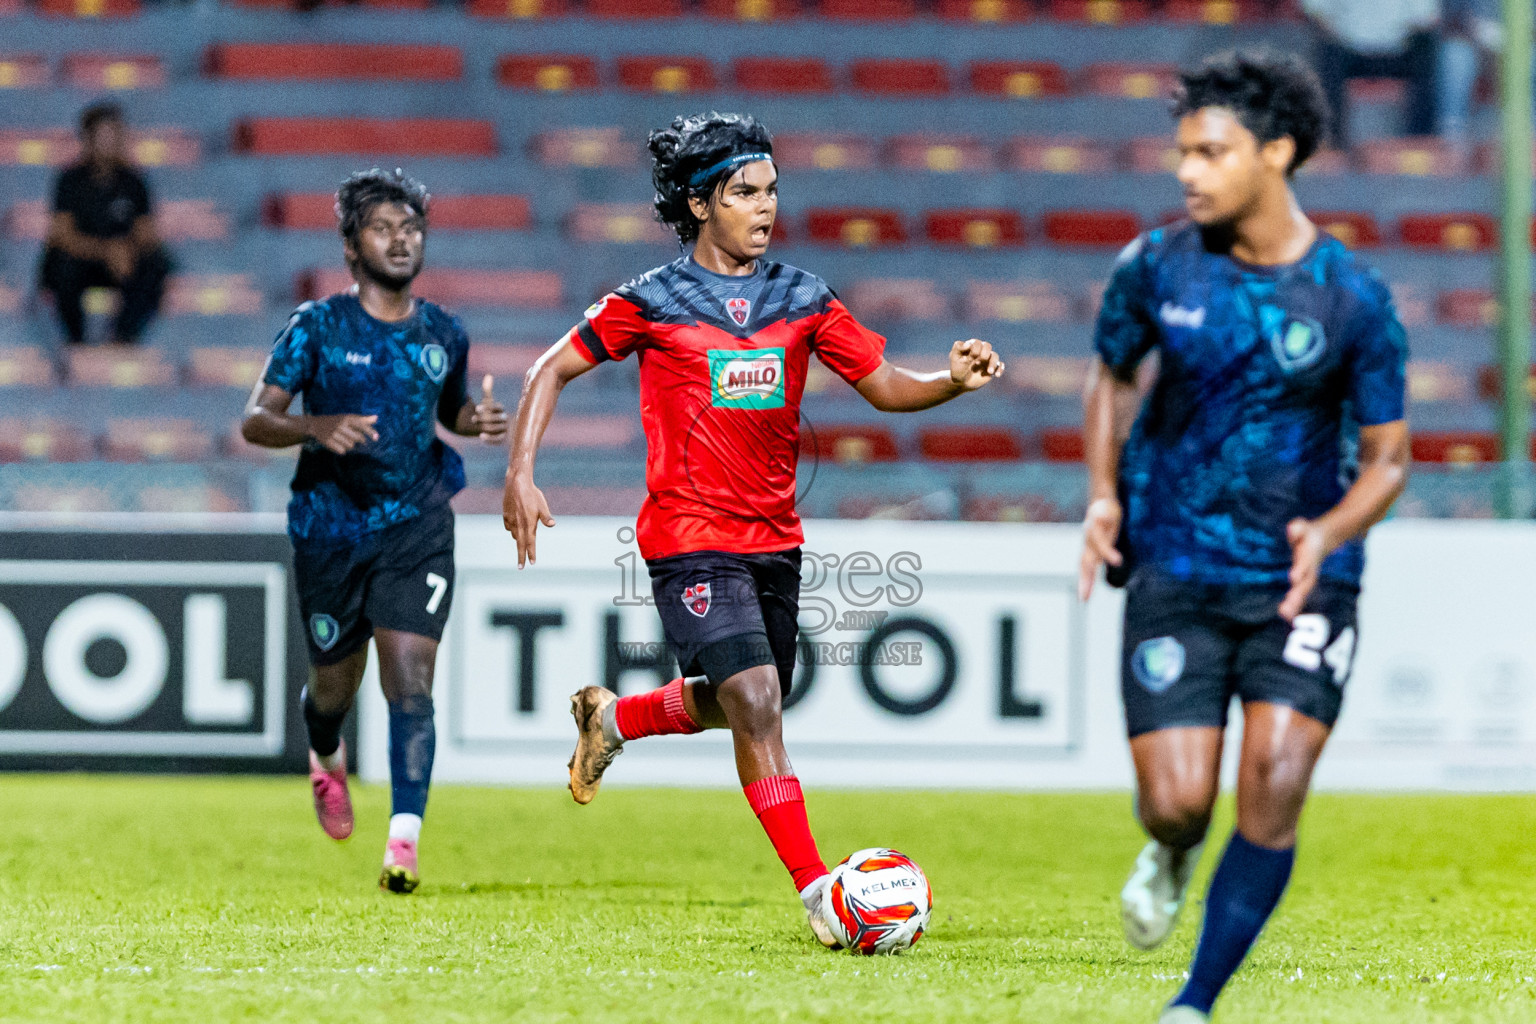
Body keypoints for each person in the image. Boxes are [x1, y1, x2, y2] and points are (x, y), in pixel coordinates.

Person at [502, 112, 1002, 946]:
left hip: (774, 541)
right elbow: (549, 368)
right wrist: (519, 471)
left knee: (742, 705)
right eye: (744, 192)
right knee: (758, 699)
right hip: (687, 534)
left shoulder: (803, 298)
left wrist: (949, 381)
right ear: (700, 204)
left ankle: (614, 721)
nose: (765, 207)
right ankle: (822, 898)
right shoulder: (649, 301)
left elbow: (883, 386)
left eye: (771, 190)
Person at [1077, 52, 1408, 1023]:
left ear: (1278, 152)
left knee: (1273, 780)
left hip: (1306, 579)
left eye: (1211, 152)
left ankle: (1195, 1003)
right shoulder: (1154, 264)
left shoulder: (1353, 294)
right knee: (1179, 802)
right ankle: (1171, 848)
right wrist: (1102, 495)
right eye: (1183, 151)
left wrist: (1334, 529)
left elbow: (1389, 458)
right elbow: (1109, 375)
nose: (1188, 171)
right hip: (1173, 564)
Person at [241, 168, 508, 893]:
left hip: (417, 523)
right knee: (333, 689)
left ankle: (404, 839)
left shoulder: (443, 331)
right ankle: (325, 752)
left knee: (409, 677)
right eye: (384, 228)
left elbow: (447, 411)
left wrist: (473, 423)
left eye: (412, 228)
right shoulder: (317, 326)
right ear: (352, 245)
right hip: (330, 530)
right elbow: (255, 418)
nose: (401, 240)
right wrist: (316, 425)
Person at [39, 101, 171, 345]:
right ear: (87, 139)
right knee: (61, 264)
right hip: (83, 262)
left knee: (157, 263)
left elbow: (146, 233)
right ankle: (75, 341)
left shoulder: (134, 181)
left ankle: (123, 337)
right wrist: (106, 251)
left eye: (115, 135)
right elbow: (62, 235)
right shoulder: (70, 181)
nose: (109, 143)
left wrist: (126, 251)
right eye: (102, 136)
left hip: (122, 263)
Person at [1303, 0, 1440, 147]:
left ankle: (1419, 142)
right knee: (1326, 51)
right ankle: (1333, 144)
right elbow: (1314, 10)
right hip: (1347, 49)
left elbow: (1427, 17)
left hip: (1399, 50)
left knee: (1427, 48)